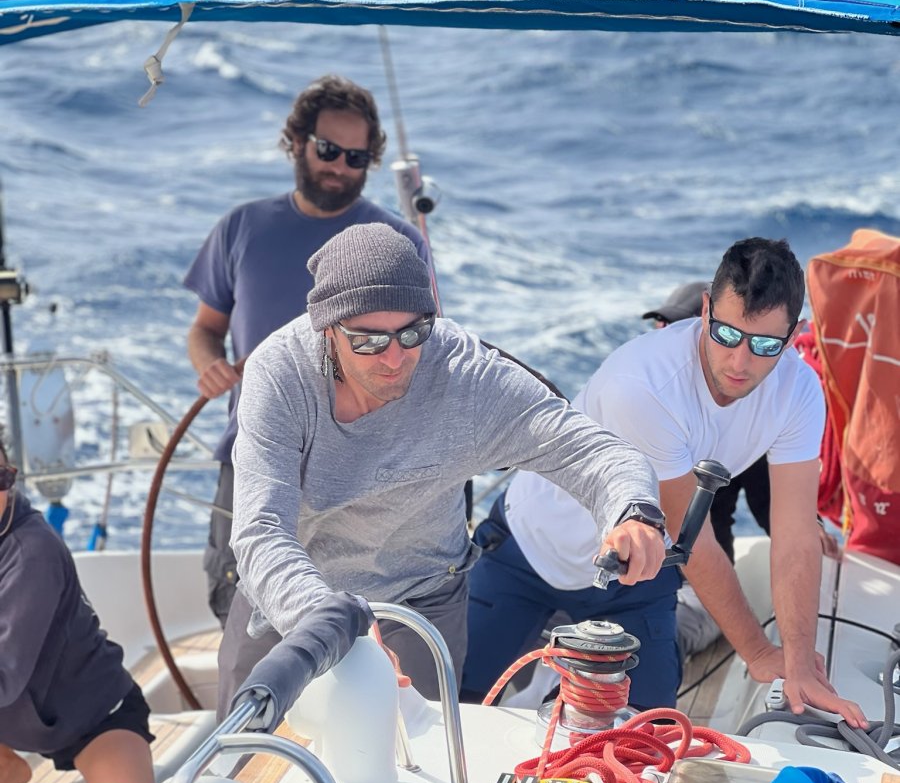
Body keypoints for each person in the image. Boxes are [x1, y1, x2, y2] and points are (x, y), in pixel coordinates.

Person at [216, 222, 666, 715]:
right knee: (241, 749)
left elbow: (590, 451)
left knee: (412, 757)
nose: (394, 358)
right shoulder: (280, 375)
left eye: (412, 333)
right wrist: (329, 623)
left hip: (420, 602)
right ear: (327, 330)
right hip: (292, 597)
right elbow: (261, 531)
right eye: (369, 341)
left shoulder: (466, 376)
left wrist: (633, 510)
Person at [461, 238, 866, 726]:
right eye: (727, 334)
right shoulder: (644, 384)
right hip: (529, 552)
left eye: (764, 345)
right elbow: (691, 536)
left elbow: (796, 534)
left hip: (637, 573)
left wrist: (799, 665)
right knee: (456, 707)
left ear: (794, 334)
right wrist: (759, 652)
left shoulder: (799, 392)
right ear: (706, 310)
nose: (740, 362)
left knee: (649, 734)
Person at [184, 74, 431, 627]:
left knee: (360, 613)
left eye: (356, 158)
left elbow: (419, 346)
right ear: (297, 142)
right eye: (328, 150)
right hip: (254, 447)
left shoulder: (399, 241)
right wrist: (210, 366)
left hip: (361, 463)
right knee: (240, 602)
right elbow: (205, 329)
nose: (340, 167)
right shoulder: (241, 228)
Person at [0, 432, 156, 783]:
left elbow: (5, 677)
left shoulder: (33, 553)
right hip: (15, 721)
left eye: (0, 478)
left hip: (94, 714)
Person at [642, 279, 771, 659]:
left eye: (676, 327)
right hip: (630, 576)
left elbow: (772, 508)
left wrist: (810, 527)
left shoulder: (743, 425)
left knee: (649, 643)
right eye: (661, 325)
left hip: (697, 588)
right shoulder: (636, 401)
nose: (665, 335)